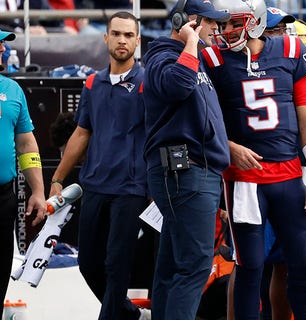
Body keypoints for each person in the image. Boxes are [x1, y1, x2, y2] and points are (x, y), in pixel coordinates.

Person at [205, 0, 306, 318]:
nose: (225, 31)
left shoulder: (289, 49)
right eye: (222, 24)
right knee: (250, 265)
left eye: (233, 23)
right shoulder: (213, 58)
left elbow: (305, 118)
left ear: (255, 22)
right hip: (244, 181)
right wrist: (229, 146)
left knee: (303, 262)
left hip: (288, 175)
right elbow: (200, 116)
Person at [48, 11, 150, 320]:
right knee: (87, 263)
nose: (122, 40)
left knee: (117, 266)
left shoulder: (148, 81)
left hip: (131, 189)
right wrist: (58, 177)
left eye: (128, 35)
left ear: (137, 41)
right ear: (106, 38)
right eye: (116, 34)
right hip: (95, 185)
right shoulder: (93, 83)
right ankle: (128, 314)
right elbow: (82, 132)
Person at [142, 0, 230, 318]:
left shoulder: (194, 59)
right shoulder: (163, 55)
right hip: (187, 171)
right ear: (189, 22)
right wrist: (191, 41)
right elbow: (178, 85)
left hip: (193, 172)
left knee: (170, 268)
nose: (216, 29)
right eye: (210, 23)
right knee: (194, 267)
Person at [0, 27, 47, 315]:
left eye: (3, 44)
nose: (3, 49)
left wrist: (38, 190)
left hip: (3, 197)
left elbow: (27, 144)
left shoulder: (12, 90)